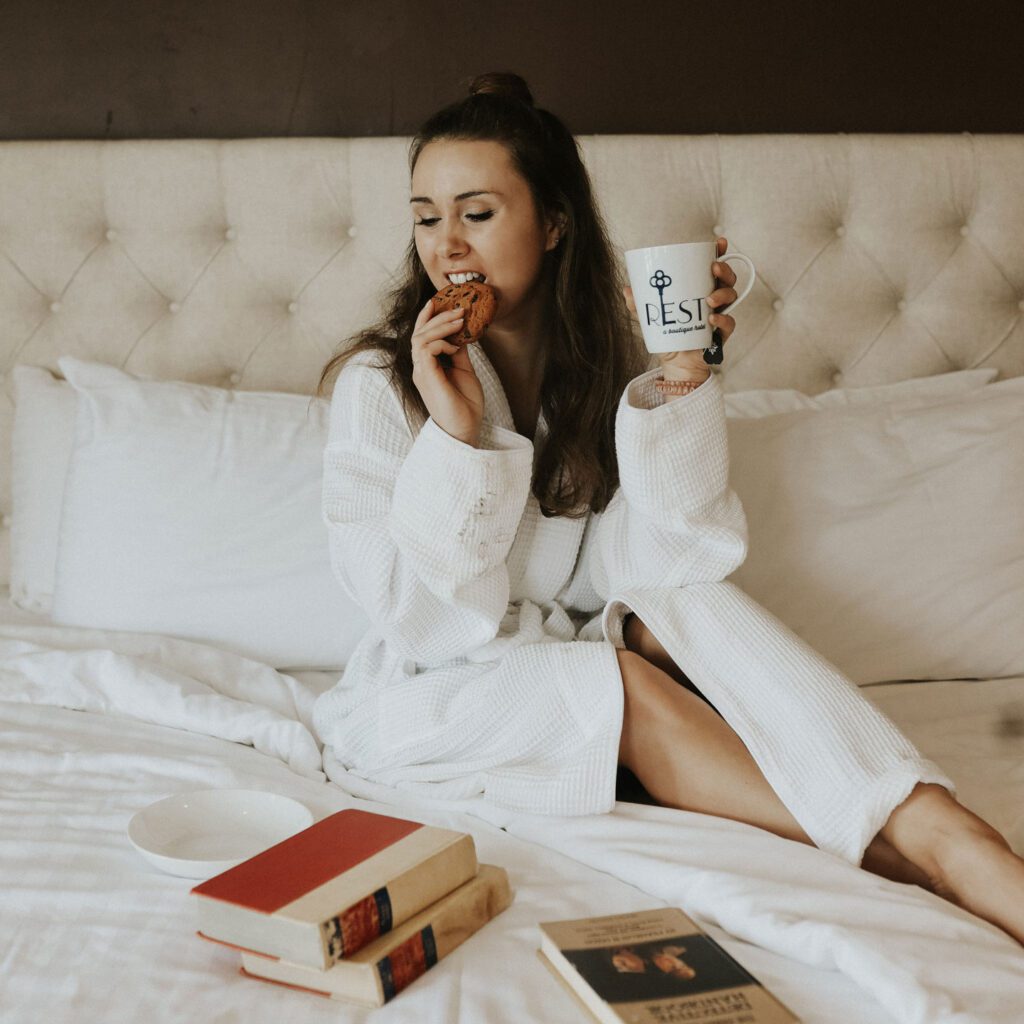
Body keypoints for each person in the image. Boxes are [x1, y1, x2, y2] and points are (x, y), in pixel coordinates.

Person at [312, 71, 1024, 947]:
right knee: (613, 680)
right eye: (427, 216)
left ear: (555, 221)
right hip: (429, 697)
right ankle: (917, 854)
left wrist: (683, 377)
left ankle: (948, 833)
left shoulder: (598, 370)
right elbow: (423, 622)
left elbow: (666, 562)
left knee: (684, 612)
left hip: (557, 651)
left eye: (478, 212)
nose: (446, 245)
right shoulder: (383, 387)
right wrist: (457, 439)